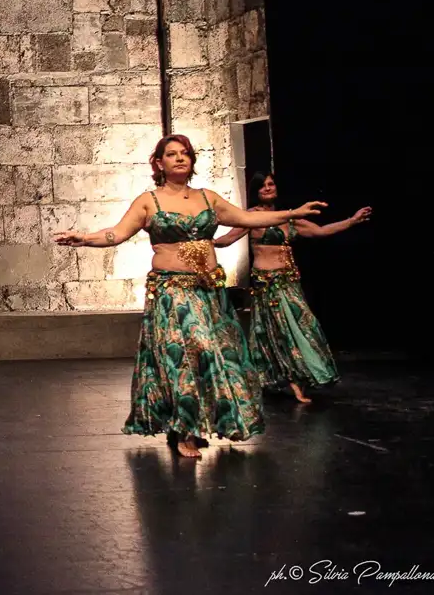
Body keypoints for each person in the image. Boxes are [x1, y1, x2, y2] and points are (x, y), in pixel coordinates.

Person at [51, 135, 326, 458]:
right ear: (159, 163)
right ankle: (185, 429)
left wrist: (292, 213)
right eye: (172, 154)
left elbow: (250, 218)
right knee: (185, 355)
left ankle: (196, 423)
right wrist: (84, 237)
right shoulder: (148, 201)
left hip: (208, 292)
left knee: (210, 356)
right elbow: (117, 233)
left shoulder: (208, 199)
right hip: (172, 292)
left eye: (185, 154)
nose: (180, 159)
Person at [214, 172, 371, 403]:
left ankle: (302, 377)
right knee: (278, 332)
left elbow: (320, 231)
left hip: (289, 282)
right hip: (268, 285)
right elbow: (227, 239)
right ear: (256, 192)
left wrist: (351, 221)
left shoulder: (289, 217)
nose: (268, 188)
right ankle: (293, 383)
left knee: (304, 327)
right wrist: (197, 241)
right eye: (262, 186)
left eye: (271, 184)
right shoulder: (252, 217)